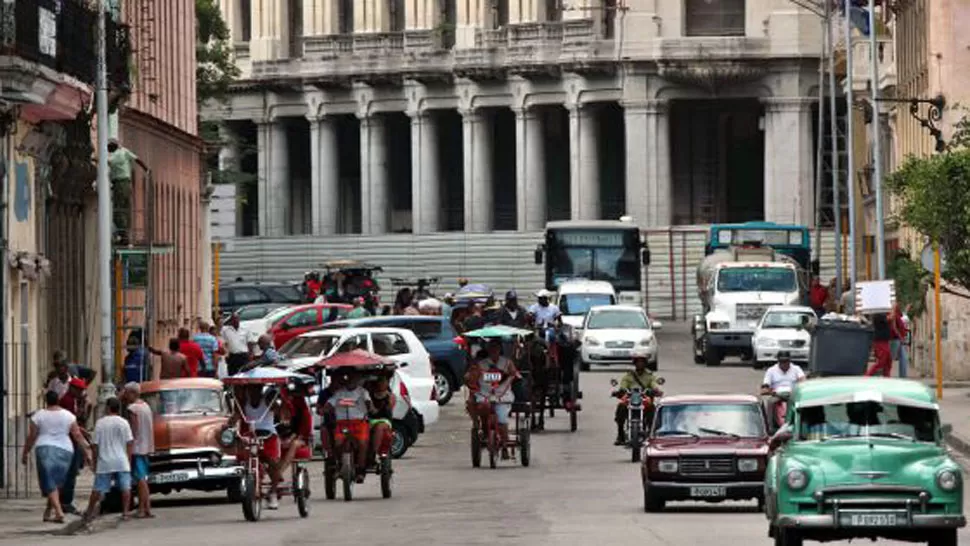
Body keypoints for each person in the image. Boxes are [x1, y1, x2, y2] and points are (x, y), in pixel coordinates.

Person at [21, 390, 91, 523]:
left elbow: (32, 436)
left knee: (49, 481)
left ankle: (58, 512)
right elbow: (77, 435)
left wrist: (25, 452)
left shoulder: (38, 416)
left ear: (46, 401)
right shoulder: (68, 415)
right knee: (56, 482)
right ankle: (48, 511)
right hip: (65, 450)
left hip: (44, 449)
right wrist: (87, 452)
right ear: (58, 399)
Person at [230, 384, 283, 509]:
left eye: (257, 388)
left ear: (260, 389)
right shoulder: (244, 402)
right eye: (251, 388)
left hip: (268, 436)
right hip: (251, 436)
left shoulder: (268, 399)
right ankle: (252, 484)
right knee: (246, 460)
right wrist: (228, 424)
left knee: (272, 463)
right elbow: (237, 415)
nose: (254, 391)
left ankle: (273, 492)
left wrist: (280, 409)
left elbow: (279, 410)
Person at [464, 339, 519, 458]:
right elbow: (472, 379)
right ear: (488, 350)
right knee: (482, 409)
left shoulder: (507, 363)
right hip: (485, 396)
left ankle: (505, 445)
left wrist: (511, 376)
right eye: (491, 348)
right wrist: (470, 377)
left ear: (500, 350)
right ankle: (483, 431)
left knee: (502, 419)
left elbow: (515, 374)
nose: (494, 350)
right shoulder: (481, 364)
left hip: (502, 396)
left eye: (496, 348)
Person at [83, 397, 134, 522]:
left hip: (104, 461)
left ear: (107, 408)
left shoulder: (100, 423)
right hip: (121, 460)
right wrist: (128, 459)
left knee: (98, 488)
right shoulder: (124, 423)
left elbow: (95, 445)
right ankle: (126, 512)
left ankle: (89, 511)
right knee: (125, 487)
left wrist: (95, 462)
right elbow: (129, 443)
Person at [323, 369, 374, 482]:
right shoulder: (340, 392)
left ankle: (361, 470)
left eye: (354, 378)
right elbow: (330, 403)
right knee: (338, 443)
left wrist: (369, 405)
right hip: (343, 423)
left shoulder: (362, 392)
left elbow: (368, 402)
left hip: (359, 423)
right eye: (349, 377)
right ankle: (340, 464)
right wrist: (326, 408)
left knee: (362, 444)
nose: (351, 380)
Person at [612, 355, 664, 446]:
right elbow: (623, 386)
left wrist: (655, 390)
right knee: (621, 407)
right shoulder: (628, 376)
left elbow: (654, 384)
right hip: (630, 399)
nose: (640, 364)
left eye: (642, 362)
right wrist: (620, 391)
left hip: (644, 400)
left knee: (653, 410)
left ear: (645, 364)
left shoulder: (650, 376)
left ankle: (652, 434)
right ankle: (620, 435)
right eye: (638, 362)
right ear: (635, 363)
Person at [57, 377, 91, 514]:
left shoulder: (74, 401)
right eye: (80, 390)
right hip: (70, 440)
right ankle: (66, 502)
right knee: (70, 472)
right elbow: (72, 423)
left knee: (72, 472)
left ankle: (65, 501)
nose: (81, 392)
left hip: (72, 439)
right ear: (73, 389)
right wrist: (83, 434)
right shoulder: (68, 401)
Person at [122, 383, 154, 519]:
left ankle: (142, 508)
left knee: (140, 479)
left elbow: (133, 430)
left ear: (133, 393)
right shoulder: (146, 406)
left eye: (126, 393)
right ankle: (146, 508)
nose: (124, 396)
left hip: (137, 448)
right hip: (146, 446)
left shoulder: (133, 408)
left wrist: (128, 445)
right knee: (143, 479)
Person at [107, 138, 148, 245]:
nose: (107, 149)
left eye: (108, 147)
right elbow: (137, 159)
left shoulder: (115, 155)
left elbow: (107, 161)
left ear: (112, 146)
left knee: (118, 210)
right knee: (125, 209)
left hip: (120, 184)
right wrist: (146, 169)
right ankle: (125, 234)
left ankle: (123, 235)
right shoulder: (125, 151)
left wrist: (95, 158)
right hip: (126, 183)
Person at [760, 351, 806, 428]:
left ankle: (798, 424)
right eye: (781, 361)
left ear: (790, 360)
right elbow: (765, 385)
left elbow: (803, 380)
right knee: (770, 402)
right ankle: (769, 427)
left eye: (786, 361)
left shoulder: (796, 369)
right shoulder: (771, 370)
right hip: (777, 394)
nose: (784, 363)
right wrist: (769, 390)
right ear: (778, 361)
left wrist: (799, 385)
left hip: (792, 393)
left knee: (798, 404)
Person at [367, 375, 396, 462]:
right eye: (380, 382)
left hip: (384, 419)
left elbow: (390, 407)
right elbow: (370, 409)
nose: (381, 384)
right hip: (372, 418)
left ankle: (374, 452)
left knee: (379, 427)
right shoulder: (370, 394)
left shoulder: (390, 396)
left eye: (384, 382)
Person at [864, 313, 893, 377]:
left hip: (885, 341)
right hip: (880, 341)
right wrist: (894, 308)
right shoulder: (878, 315)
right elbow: (890, 318)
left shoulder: (883, 314)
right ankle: (867, 375)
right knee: (882, 361)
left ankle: (887, 377)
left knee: (888, 361)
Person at [889, 303, 910, 378]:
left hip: (899, 339)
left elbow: (904, 317)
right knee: (891, 358)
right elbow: (894, 327)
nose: (897, 305)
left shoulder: (898, 315)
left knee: (904, 357)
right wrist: (900, 337)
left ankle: (903, 376)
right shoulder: (894, 315)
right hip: (895, 339)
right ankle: (885, 374)